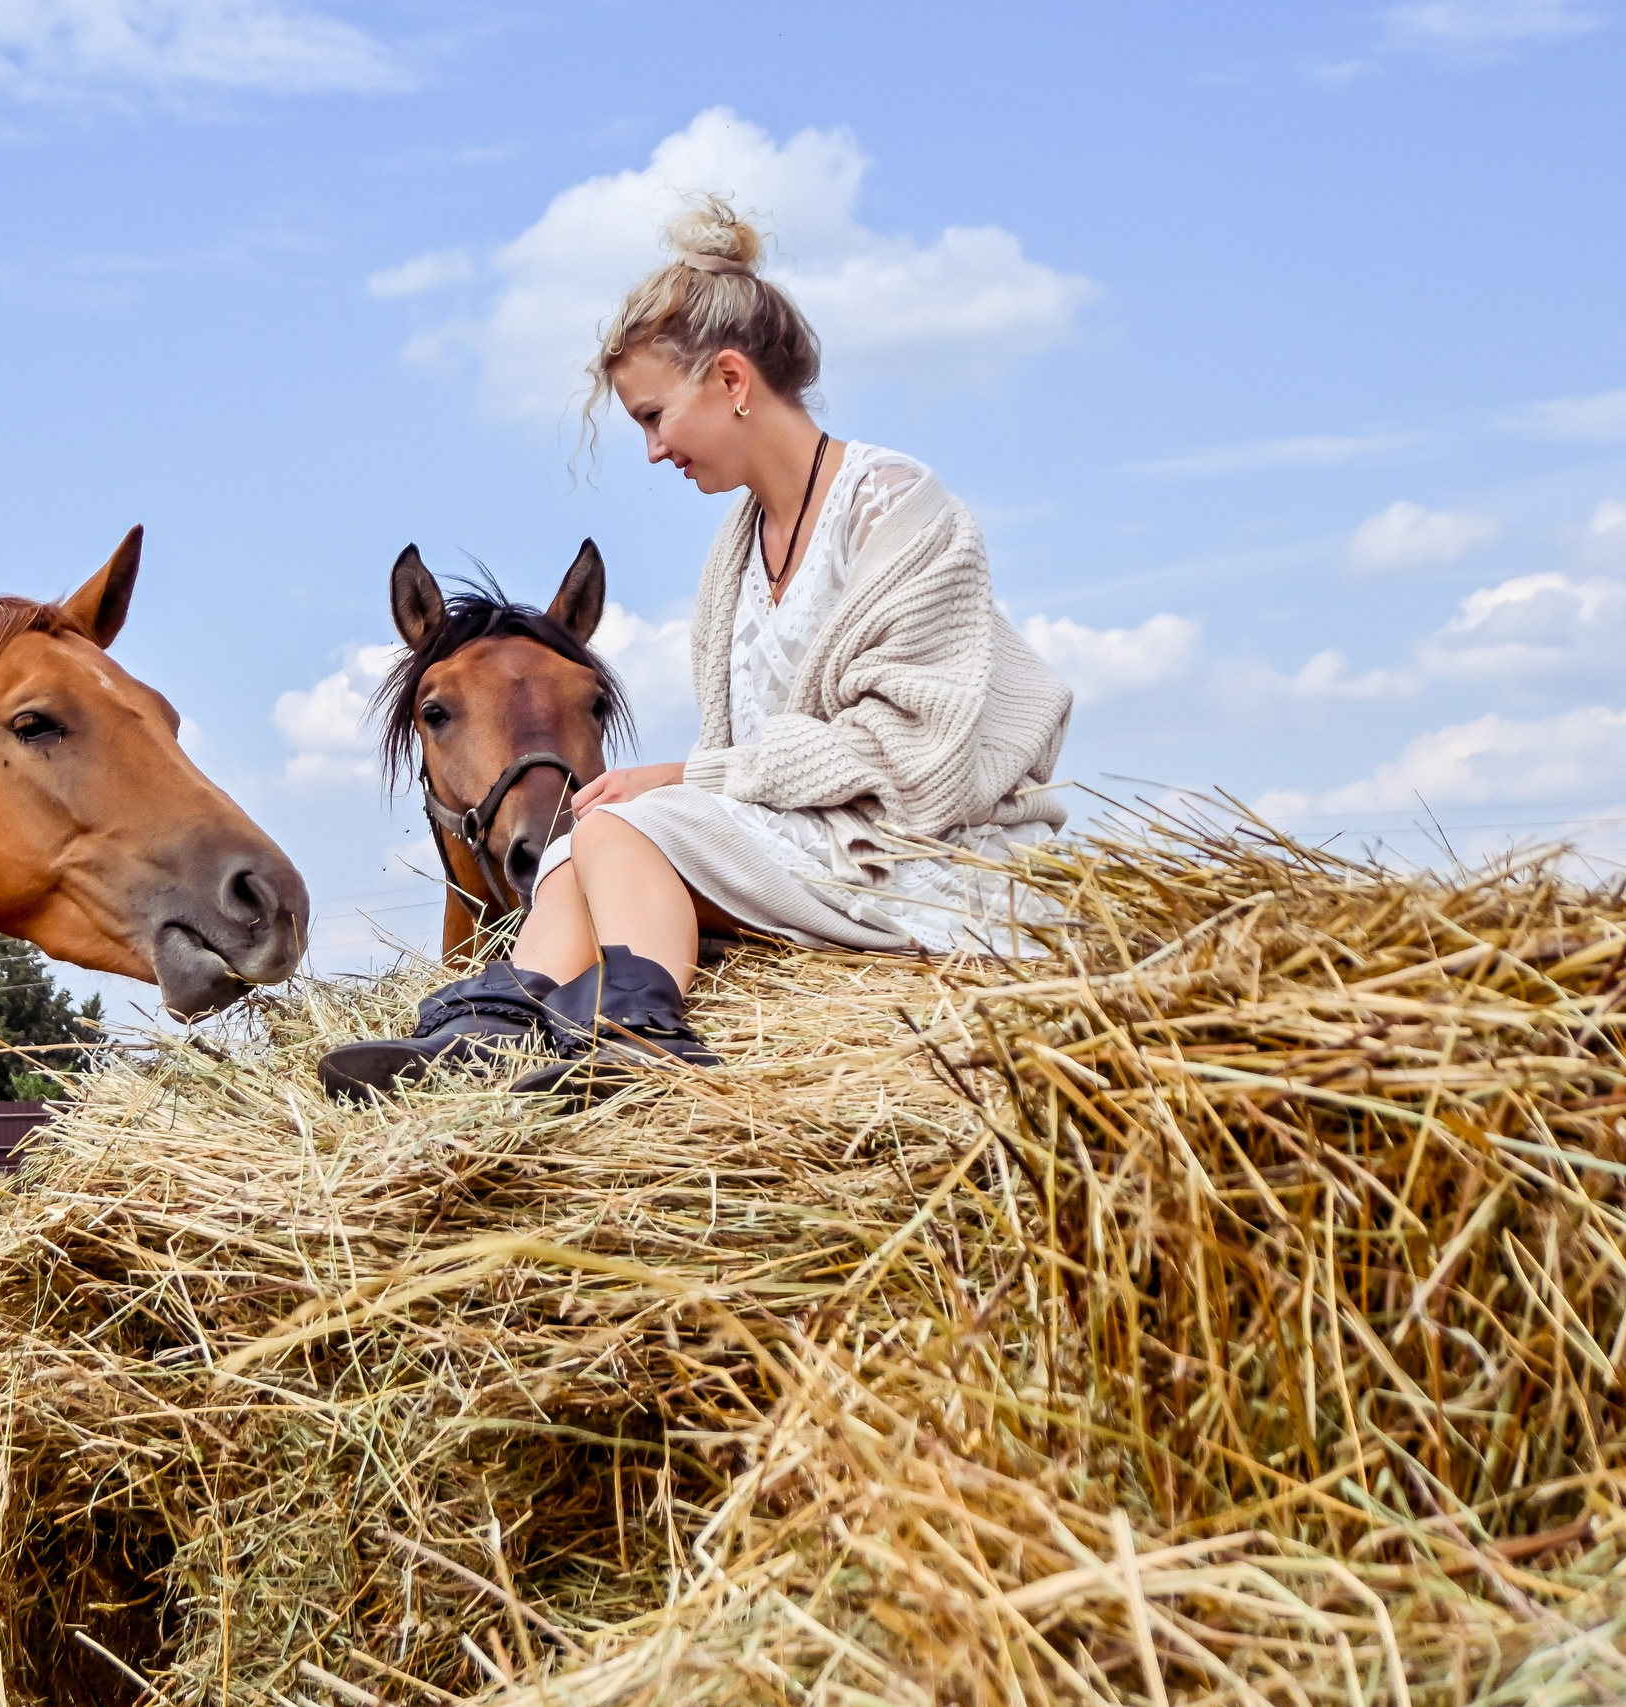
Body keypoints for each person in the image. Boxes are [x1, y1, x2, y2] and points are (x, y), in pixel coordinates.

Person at [320, 198, 1073, 1104]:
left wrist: (687, 777)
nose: (650, 450)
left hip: (918, 855)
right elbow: (743, 780)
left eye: (653, 416)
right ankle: (494, 1033)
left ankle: (641, 1032)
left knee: (636, 816)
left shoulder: (898, 510)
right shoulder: (735, 553)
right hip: (808, 848)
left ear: (730, 379)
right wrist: (691, 787)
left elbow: (919, 761)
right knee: (574, 842)